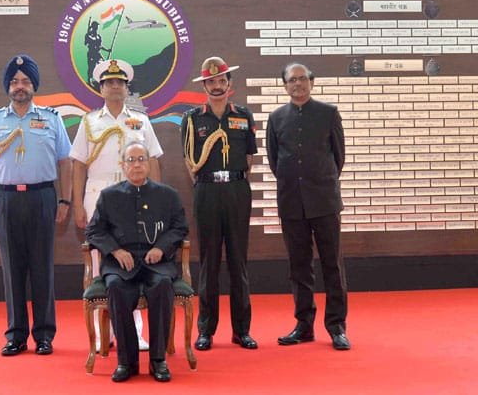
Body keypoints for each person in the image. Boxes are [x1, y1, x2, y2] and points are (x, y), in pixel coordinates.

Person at [0, 54, 73, 357]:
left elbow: (65, 162)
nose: (20, 86)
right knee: (12, 270)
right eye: (15, 82)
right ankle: (16, 335)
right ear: (8, 87)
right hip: (5, 200)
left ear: (34, 86)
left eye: (26, 81)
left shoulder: (52, 119)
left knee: (42, 267)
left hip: (42, 197)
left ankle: (44, 334)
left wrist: (65, 198)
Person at [71, 58, 163, 352]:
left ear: (127, 88)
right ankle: (103, 332)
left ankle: (135, 332)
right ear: (101, 88)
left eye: (120, 82)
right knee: (101, 266)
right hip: (97, 194)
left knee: (133, 262)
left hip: (133, 195)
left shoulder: (140, 121)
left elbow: (153, 161)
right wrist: (77, 205)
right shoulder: (89, 122)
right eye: (109, 82)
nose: (115, 87)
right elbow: (78, 166)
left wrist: (157, 200)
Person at [86, 141, 189, 383]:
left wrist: (161, 248)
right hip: (121, 264)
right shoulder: (109, 196)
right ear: (123, 165)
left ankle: (157, 360)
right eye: (131, 160)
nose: (137, 165)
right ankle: (126, 361)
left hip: (157, 262)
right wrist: (116, 251)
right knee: (116, 287)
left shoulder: (168, 195)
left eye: (141, 159)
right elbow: (94, 232)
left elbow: (179, 227)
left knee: (163, 285)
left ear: (149, 163)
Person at [266, 62, 350, 351]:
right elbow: (276, 161)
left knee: (332, 265)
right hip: (291, 201)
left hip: (324, 200)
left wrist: (320, 182)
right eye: (292, 80)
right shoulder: (276, 118)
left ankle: (337, 326)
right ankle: (304, 325)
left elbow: (338, 158)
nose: (298, 84)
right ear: (285, 85)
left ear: (311, 82)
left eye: (303, 79)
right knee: (299, 266)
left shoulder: (328, 113)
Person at [181, 56, 258, 351]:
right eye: (211, 82)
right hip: (208, 191)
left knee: (238, 262)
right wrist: (211, 182)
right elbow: (191, 163)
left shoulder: (243, 115)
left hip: (237, 190)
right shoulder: (192, 119)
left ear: (229, 85)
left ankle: (242, 330)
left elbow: (249, 159)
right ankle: (206, 330)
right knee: (209, 262)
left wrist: (232, 179)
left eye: (221, 81)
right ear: (204, 86)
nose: (216, 86)